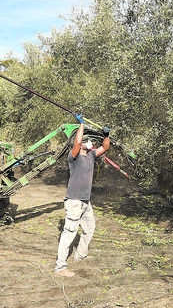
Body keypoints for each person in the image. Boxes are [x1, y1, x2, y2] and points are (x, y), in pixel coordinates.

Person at [54, 114, 110, 277]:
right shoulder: (74, 157)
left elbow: (105, 147)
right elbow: (77, 142)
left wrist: (106, 135)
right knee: (69, 232)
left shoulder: (91, 156)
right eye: (89, 141)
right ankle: (60, 267)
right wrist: (81, 125)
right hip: (74, 201)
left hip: (86, 201)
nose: (92, 143)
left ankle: (80, 255)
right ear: (83, 143)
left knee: (90, 228)